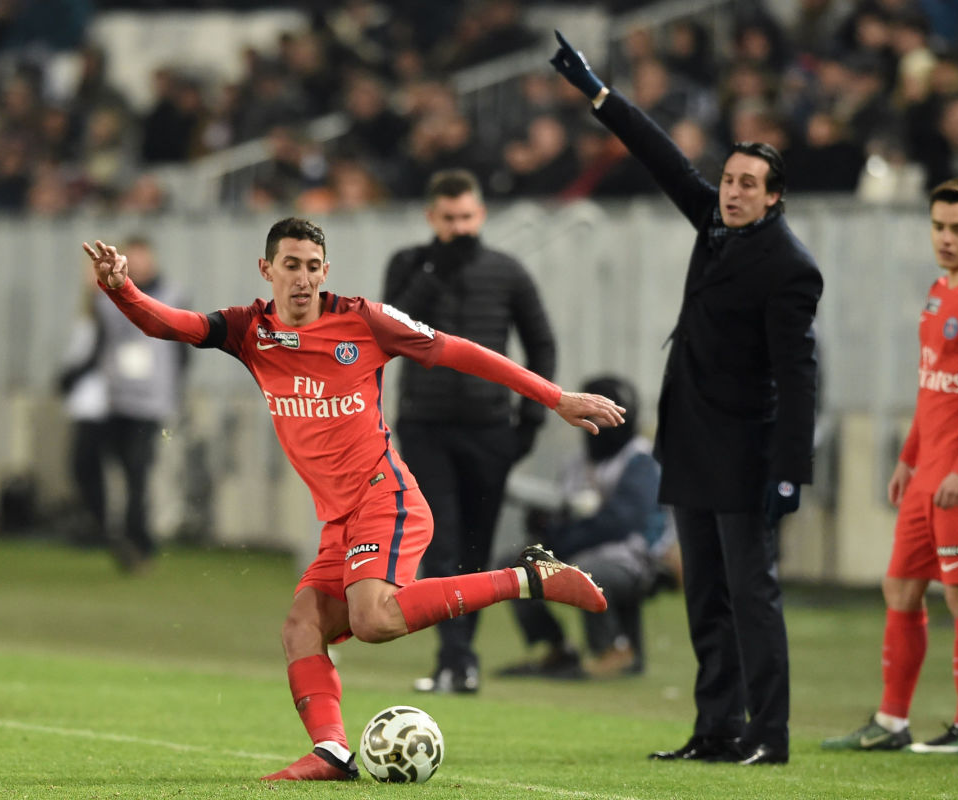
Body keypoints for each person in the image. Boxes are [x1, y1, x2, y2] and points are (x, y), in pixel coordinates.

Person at [80, 218, 624, 781]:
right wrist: (122, 288)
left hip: (386, 499)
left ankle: (529, 579)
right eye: (290, 265)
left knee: (374, 620)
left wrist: (555, 396)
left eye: (313, 267)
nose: (302, 279)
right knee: (300, 627)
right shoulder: (250, 331)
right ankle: (332, 753)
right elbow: (171, 325)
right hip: (339, 520)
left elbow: (460, 352)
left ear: (326, 271)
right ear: (266, 270)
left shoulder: (364, 320)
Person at [550, 32, 823, 766]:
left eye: (747, 185)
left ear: (773, 199)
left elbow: (800, 377)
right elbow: (664, 158)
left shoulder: (789, 268)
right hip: (691, 445)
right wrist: (600, 96)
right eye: (728, 179)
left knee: (751, 597)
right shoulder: (713, 221)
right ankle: (715, 729)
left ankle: (769, 733)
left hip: (747, 453)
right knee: (705, 595)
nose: (732, 191)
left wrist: (791, 469)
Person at [822, 177, 958, 757]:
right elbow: (934, 386)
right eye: (938, 226)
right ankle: (891, 721)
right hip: (928, 473)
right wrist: (910, 459)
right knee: (901, 587)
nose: (947, 238)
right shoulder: (938, 290)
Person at [382, 168, 556, 694]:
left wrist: (530, 419)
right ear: (431, 218)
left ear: (480, 215)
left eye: (467, 218)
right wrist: (436, 268)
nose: (459, 228)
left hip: (488, 427)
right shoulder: (411, 264)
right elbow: (391, 326)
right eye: (449, 219)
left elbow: (540, 344)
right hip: (427, 425)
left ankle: (461, 660)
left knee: (476, 546)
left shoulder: (507, 272)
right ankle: (454, 658)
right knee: (441, 541)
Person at [496, 374, 670, 680]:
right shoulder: (577, 461)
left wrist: (561, 539)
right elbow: (564, 510)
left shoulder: (640, 460)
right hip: (581, 552)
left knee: (589, 571)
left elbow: (619, 523)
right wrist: (544, 524)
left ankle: (612, 650)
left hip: (634, 560)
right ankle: (557, 648)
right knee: (512, 566)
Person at [92, 236, 190, 571]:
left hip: (152, 402)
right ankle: (130, 537)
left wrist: (174, 391)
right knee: (120, 473)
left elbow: (182, 350)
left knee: (138, 472)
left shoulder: (172, 295)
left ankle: (138, 539)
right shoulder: (105, 298)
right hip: (117, 398)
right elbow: (101, 343)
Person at [56, 267, 109, 548]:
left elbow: (99, 351)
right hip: (86, 400)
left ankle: (99, 526)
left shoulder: (110, 307)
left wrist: (71, 376)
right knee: (85, 467)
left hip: (101, 402)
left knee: (87, 465)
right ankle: (94, 523)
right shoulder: (90, 309)